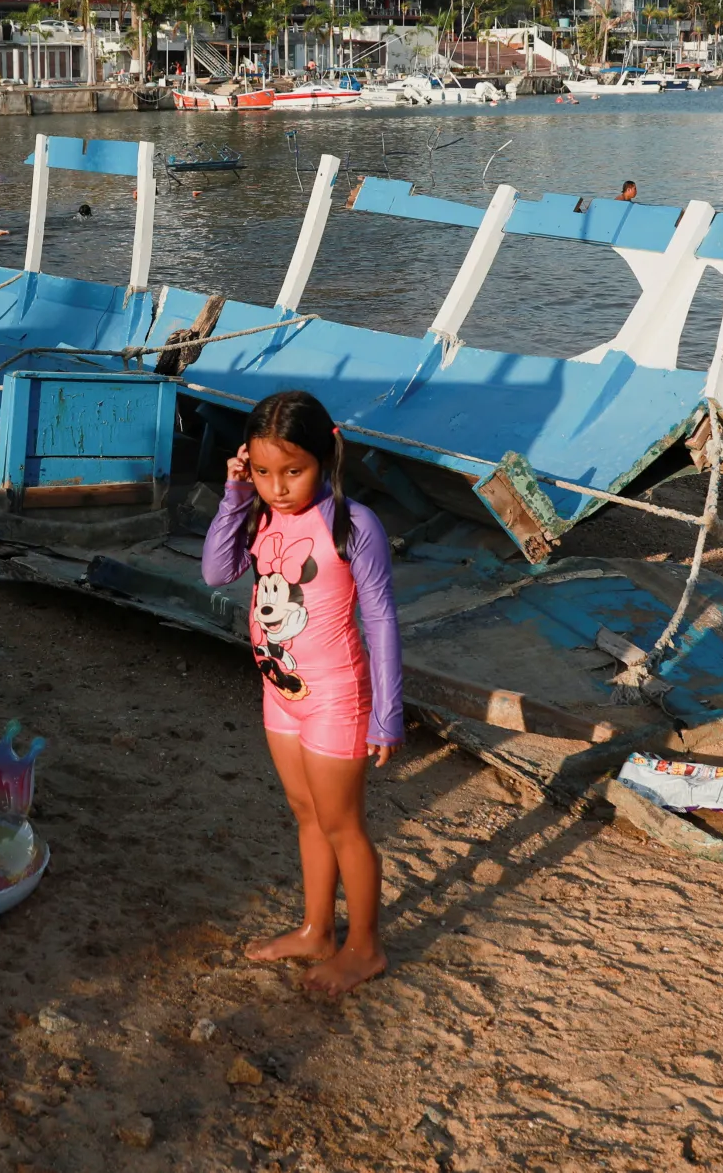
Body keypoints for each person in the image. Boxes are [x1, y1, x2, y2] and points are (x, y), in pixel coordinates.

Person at [200, 392, 400, 998]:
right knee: (306, 814)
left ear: (325, 458)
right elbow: (216, 571)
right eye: (263, 471)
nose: (279, 487)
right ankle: (317, 929)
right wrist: (235, 494)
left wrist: (386, 716)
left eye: (294, 471)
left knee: (343, 825)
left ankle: (364, 948)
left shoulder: (353, 524)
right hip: (279, 691)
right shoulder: (257, 511)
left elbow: (383, 621)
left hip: (338, 696)